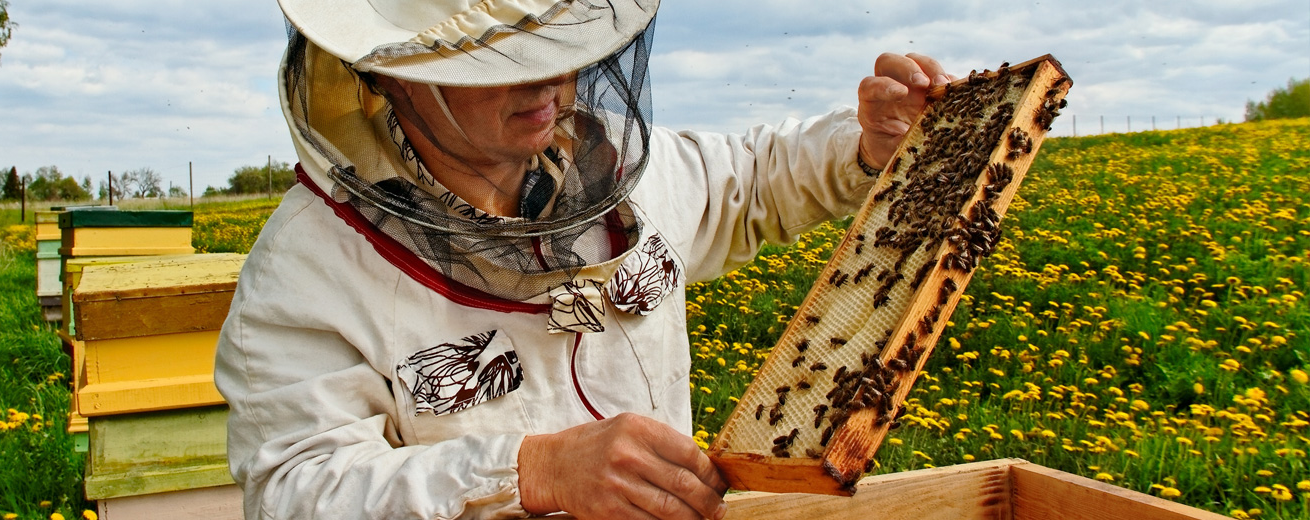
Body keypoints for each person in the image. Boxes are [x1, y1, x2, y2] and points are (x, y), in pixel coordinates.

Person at [214, 0, 954, 518]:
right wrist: (533, 471)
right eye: (495, 61)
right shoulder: (305, 272)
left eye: (554, 41)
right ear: (392, 72)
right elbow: (295, 492)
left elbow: (757, 177)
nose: (547, 82)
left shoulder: (621, 164)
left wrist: (868, 146)